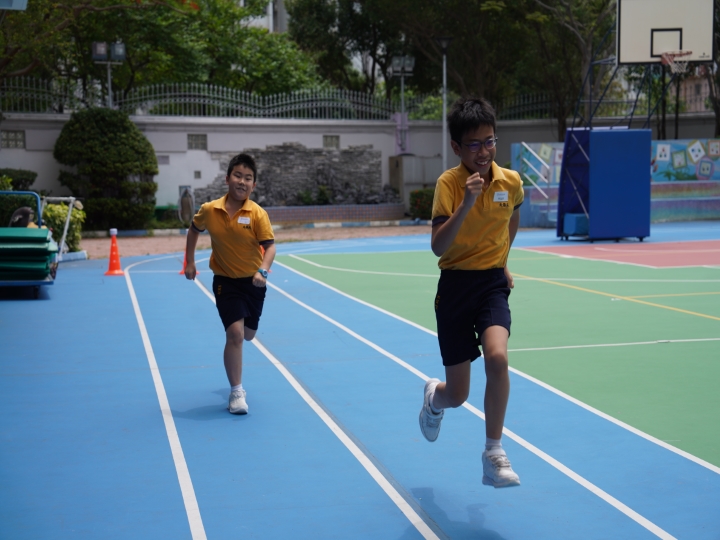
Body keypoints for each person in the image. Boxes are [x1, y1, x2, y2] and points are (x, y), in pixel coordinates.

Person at [419, 97, 524, 488]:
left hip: (492, 283)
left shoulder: (510, 181)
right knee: (458, 394)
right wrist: (466, 202)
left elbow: (512, 218)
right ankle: (434, 398)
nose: (483, 151)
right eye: (474, 144)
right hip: (455, 287)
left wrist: (504, 261)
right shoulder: (449, 184)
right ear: (457, 147)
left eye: (489, 141)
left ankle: (493, 452)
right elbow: (437, 246)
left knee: (497, 358)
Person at [184, 153, 276, 415]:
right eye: (237, 175)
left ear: (253, 185)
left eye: (248, 178)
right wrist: (190, 262)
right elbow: (193, 230)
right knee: (235, 334)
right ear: (227, 179)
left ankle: (237, 377)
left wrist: (262, 271)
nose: (242, 181)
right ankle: (236, 392)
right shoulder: (210, 210)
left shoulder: (257, 214)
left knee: (248, 335)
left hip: (254, 282)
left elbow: (270, 247)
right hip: (225, 281)